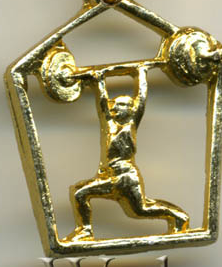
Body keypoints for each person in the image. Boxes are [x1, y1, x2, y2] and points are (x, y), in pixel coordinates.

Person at [63, 64, 190, 242]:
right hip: (113, 175)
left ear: (130, 109)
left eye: (120, 105)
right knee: (139, 209)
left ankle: (178, 217)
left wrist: (142, 73)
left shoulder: (131, 124)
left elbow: (142, 97)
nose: (114, 108)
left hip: (124, 177)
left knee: (138, 209)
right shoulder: (110, 124)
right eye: (114, 105)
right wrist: (98, 80)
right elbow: (102, 101)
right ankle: (85, 231)